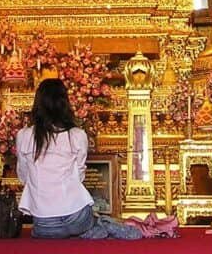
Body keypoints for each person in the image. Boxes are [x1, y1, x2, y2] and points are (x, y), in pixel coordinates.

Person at [15, 79, 140, 240]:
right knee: (89, 219)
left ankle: (91, 229)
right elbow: (79, 176)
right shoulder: (77, 135)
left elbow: (23, 176)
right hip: (77, 217)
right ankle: (99, 226)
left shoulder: (24, 136)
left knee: (43, 233)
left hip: (44, 225)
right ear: (65, 104)